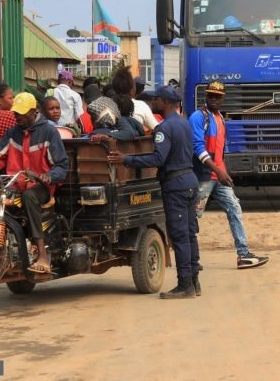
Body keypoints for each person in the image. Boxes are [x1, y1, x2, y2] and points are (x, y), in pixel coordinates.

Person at [107, 86, 201, 299]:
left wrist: (126, 159)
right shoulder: (185, 124)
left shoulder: (164, 129)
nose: (152, 103)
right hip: (189, 181)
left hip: (175, 185)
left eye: (156, 99)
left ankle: (185, 284)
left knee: (179, 236)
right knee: (189, 233)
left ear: (165, 102)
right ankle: (194, 282)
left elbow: (158, 159)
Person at [0, 92, 69, 274]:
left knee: (29, 196)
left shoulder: (49, 132)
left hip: (40, 187)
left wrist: (49, 176)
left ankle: (42, 254)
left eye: (22, 113)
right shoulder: (13, 133)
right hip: (14, 185)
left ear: (34, 112)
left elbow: (62, 165)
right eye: (16, 113)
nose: (17, 117)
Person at [190, 80, 268, 269]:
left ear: (223, 98)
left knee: (234, 208)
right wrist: (219, 171)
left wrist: (223, 173)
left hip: (217, 177)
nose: (214, 99)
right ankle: (190, 260)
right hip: (203, 177)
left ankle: (243, 255)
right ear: (206, 96)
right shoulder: (198, 117)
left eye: (218, 96)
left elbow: (219, 152)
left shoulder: (219, 118)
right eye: (211, 95)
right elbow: (197, 148)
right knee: (192, 217)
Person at [111, 67, 158, 134]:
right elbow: (156, 128)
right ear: (132, 90)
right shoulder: (141, 106)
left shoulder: (105, 105)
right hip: (135, 143)